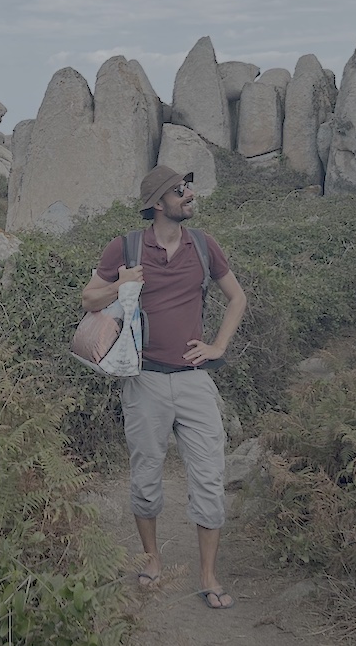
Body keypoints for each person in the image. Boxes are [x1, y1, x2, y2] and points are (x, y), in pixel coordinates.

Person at [81, 164, 247, 610]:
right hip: (144, 382)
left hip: (195, 382)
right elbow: (88, 299)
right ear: (159, 203)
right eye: (180, 189)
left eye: (188, 187)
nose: (189, 194)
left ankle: (208, 575)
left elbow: (237, 298)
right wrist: (120, 284)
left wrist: (218, 345)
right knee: (147, 480)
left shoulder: (203, 244)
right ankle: (152, 561)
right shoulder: (126, 246)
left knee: (210, 480)